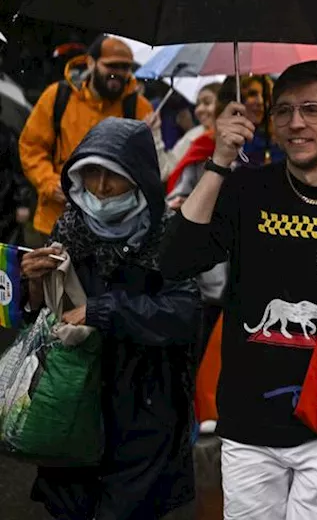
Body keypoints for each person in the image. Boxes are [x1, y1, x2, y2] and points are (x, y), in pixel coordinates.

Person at [160, 62, 317, 520]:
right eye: (282, 111)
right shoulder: (247, 189)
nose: (295, 123)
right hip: (248, 426)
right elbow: (176, 261)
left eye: (312, 109)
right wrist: (219, 160)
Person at [20, 117, 201, 520]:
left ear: (139, 179)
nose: (100, 188)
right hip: (72, 406)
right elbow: (42, 315)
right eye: (91, 173)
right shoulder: (69, 228)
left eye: (113, 176)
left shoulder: (166, 237)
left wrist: (104, 312)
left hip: (144, 411)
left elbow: (184, 314)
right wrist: (31, 286)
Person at [19, 35, 153, 246]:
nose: (118, 73)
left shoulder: (140, 108)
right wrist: (49, 182)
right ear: (90, 62)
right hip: (54, 219)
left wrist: (155, 136)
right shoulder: (57, 96)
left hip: (113, 229)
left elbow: (147, 168)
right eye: (111, 65)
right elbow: (31, 147)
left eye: (125, 67)